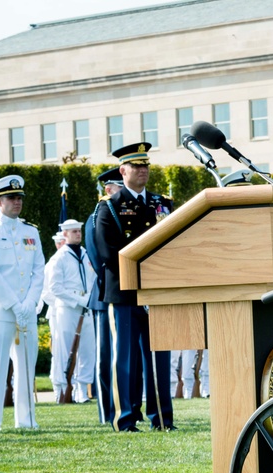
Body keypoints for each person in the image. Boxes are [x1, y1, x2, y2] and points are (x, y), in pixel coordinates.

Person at [93, 143, 175, 432]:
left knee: (158, 358)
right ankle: (125, 418)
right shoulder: (110, 207)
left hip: (157, 292)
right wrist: (141, 280)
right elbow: (108, 252)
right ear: (122, 171)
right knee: (125, 359)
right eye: (136, 166)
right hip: (125, 293)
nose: (143, 171)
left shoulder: (162, 204)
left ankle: (162, 418)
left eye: (146, 166)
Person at [0, 175, 45, 430]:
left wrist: (30, 303)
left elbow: (39, 269)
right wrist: (15, 304)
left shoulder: (31, 230)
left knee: (26, 368)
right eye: (12, 198)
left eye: (19, 198)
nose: (17, 202)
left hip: (27, 310)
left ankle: (26, 420)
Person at [85, 167, 122, 423]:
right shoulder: (98, 214)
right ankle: (106, 412)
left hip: (120, 294)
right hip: (104, 295)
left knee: (122, 357)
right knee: (105, 357)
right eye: (120, 188)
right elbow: (99, 260)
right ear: (108, 189)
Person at [48, 220, 97, 402]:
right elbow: (55, 287)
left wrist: (90, 300)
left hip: (87, 306)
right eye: (74, 232)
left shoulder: (86, 254)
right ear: (65, 234)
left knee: (87, 349)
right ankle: (62, 389)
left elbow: (93, 280)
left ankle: (82, 391)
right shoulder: (59, 258)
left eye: (79, 231)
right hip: (68, 308)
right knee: (65, 350)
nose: (78, 234)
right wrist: (78, 301)